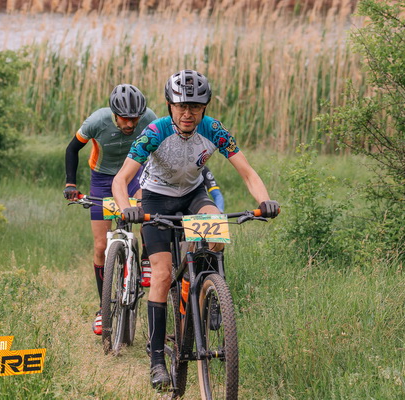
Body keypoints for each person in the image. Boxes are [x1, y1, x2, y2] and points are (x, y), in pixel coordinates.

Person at [111, 69, 279, 389]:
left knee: (215, 226)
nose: (188, 113)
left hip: (192, 195)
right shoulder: (155, 131)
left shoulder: (213, 130)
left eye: (196, 107)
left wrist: (265, 200)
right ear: (170, 106)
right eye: (181, 106)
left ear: (205, 108)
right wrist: (126, 208)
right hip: (156, 199)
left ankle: (211, 293)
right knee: (162, 275)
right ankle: (157, 360)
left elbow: (247, 172)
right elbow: (121, 180)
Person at [64, 84, 157, 336]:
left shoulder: (149, 118)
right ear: (114, 114)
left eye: (135, 118)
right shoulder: (97, 121)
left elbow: (161, 147)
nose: (131, 124)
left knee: (149, 208)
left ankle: (146, 257)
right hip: (103, 179)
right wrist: (71, 183)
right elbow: (72, 149)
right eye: (125, 119)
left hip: (135, 174)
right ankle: (103, 308)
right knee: (100, 247)